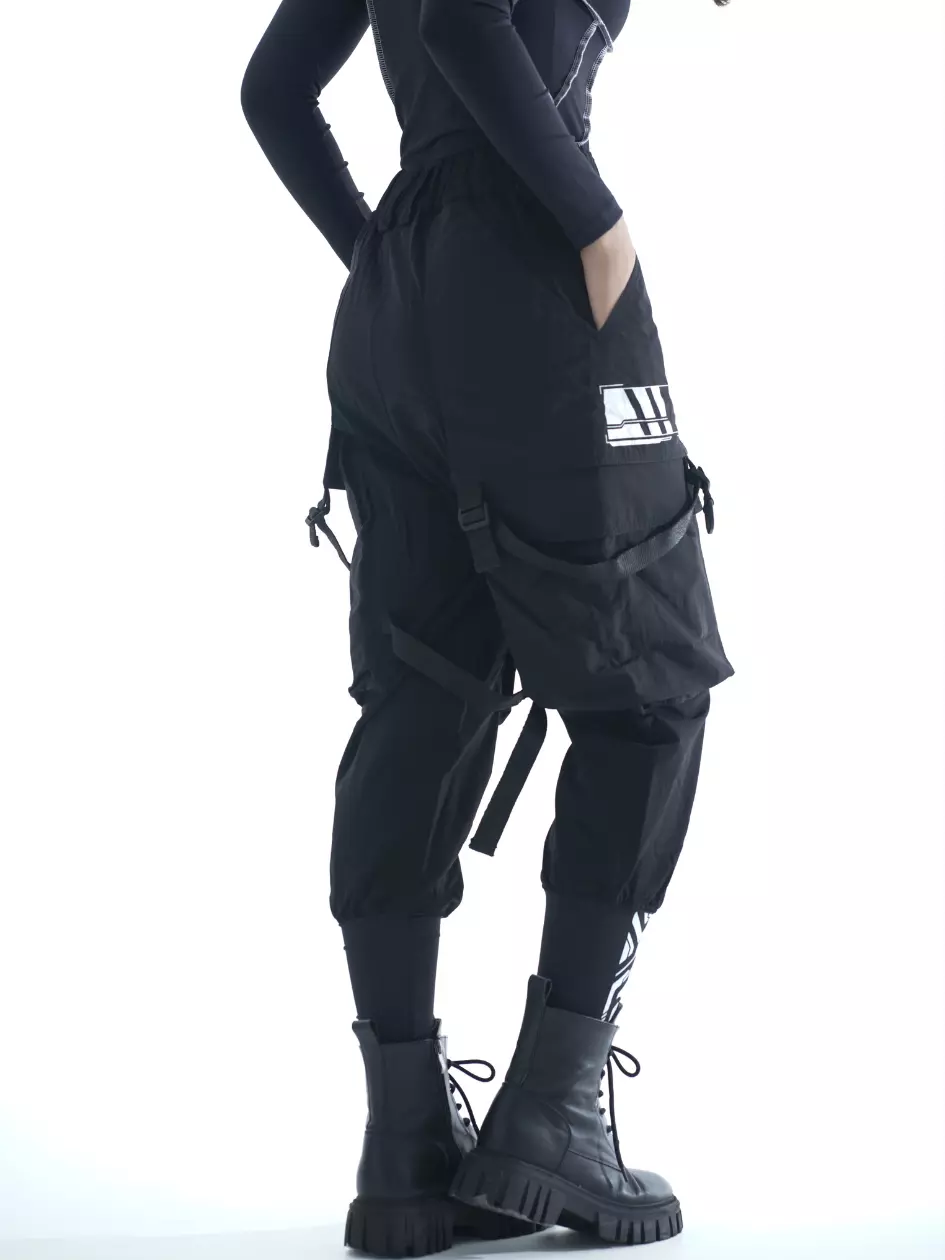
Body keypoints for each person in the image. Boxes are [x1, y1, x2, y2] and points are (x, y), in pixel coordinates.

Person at [241, 0, 734, 1253]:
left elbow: (274, 90)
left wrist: (382, 253)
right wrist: (595, 221)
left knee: (425, 691)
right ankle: (553, 1120)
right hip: (528, 259)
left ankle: (405, 1145)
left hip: (394, 308)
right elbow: (464, 19)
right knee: (648, 686)